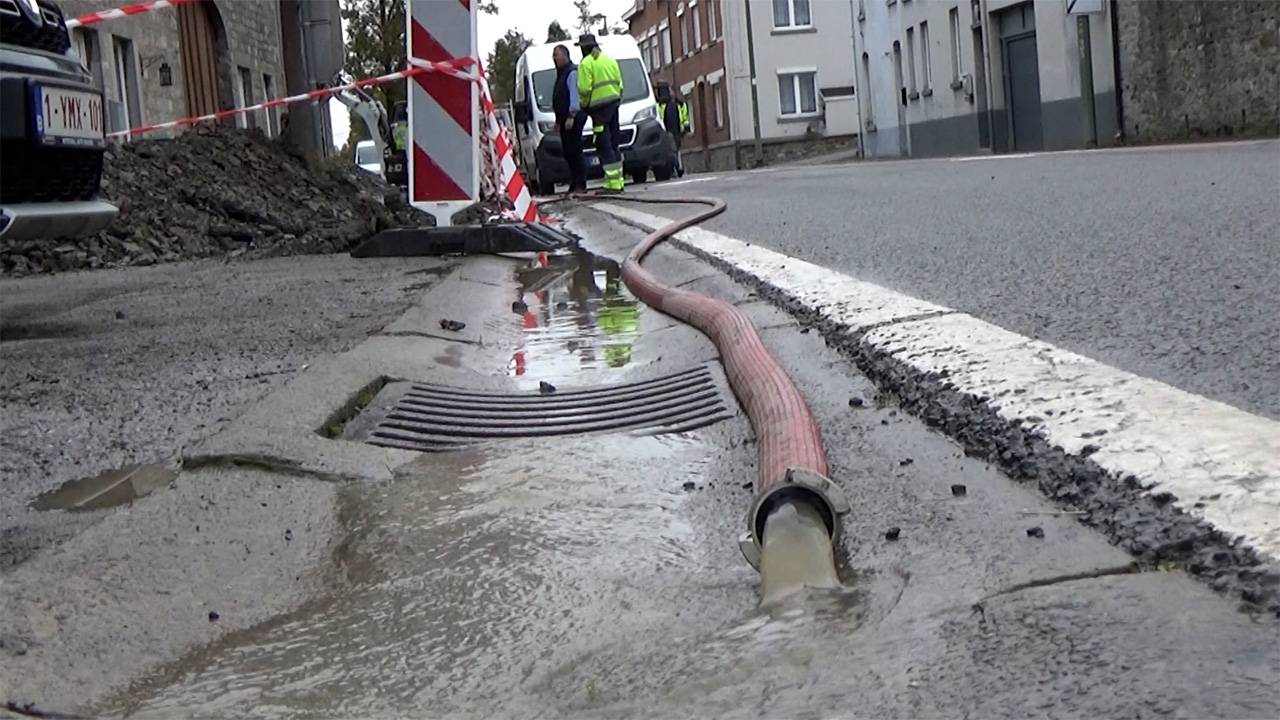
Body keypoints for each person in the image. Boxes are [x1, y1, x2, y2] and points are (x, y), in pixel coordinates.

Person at [575, 33, 624, 192]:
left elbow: (584, 89)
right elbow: (620, 85)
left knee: (604, 145)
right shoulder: (610, 60)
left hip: (598, 111)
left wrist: (584, 106)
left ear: (584, 48)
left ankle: (613, 184)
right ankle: (619, 180)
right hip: (613, 107)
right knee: (614, 144)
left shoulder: (586, 63)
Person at [551, 44, 587, 193]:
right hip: (564, 119)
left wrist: (571, 116)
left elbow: (573, 96)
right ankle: (574, 181)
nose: (554, 58)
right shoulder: (561, 74)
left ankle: (580, 183)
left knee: (575, 150)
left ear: (565, 55)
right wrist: (558, 121)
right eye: (553, 55)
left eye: (556, 55)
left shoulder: (571, 72)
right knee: (568, 152)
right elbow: (560, 99)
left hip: (573, 118)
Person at [655, 81, 685, 178]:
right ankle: (678, 168)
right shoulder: (675, 103)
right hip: (675, 130)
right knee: (675, 150)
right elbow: (681, 115)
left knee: (671, 151)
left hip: (665, 131)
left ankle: (675, 168)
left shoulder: (658, 104)